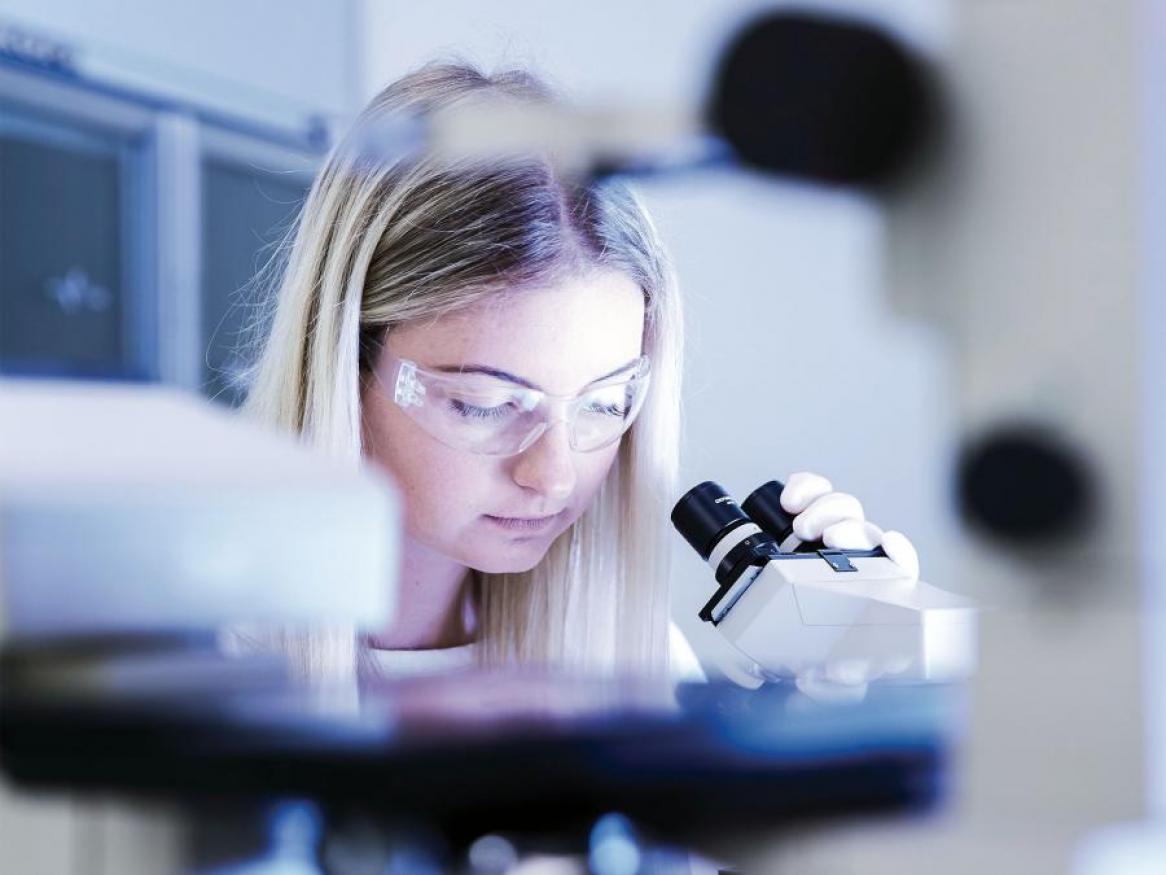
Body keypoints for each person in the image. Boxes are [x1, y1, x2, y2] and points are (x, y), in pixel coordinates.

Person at [241, 62, 918, 684]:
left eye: (605, 403)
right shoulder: (202, 667)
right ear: (343, 360)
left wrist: (843, 672)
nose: (555, 476)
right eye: (485, 404)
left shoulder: (630, 655)